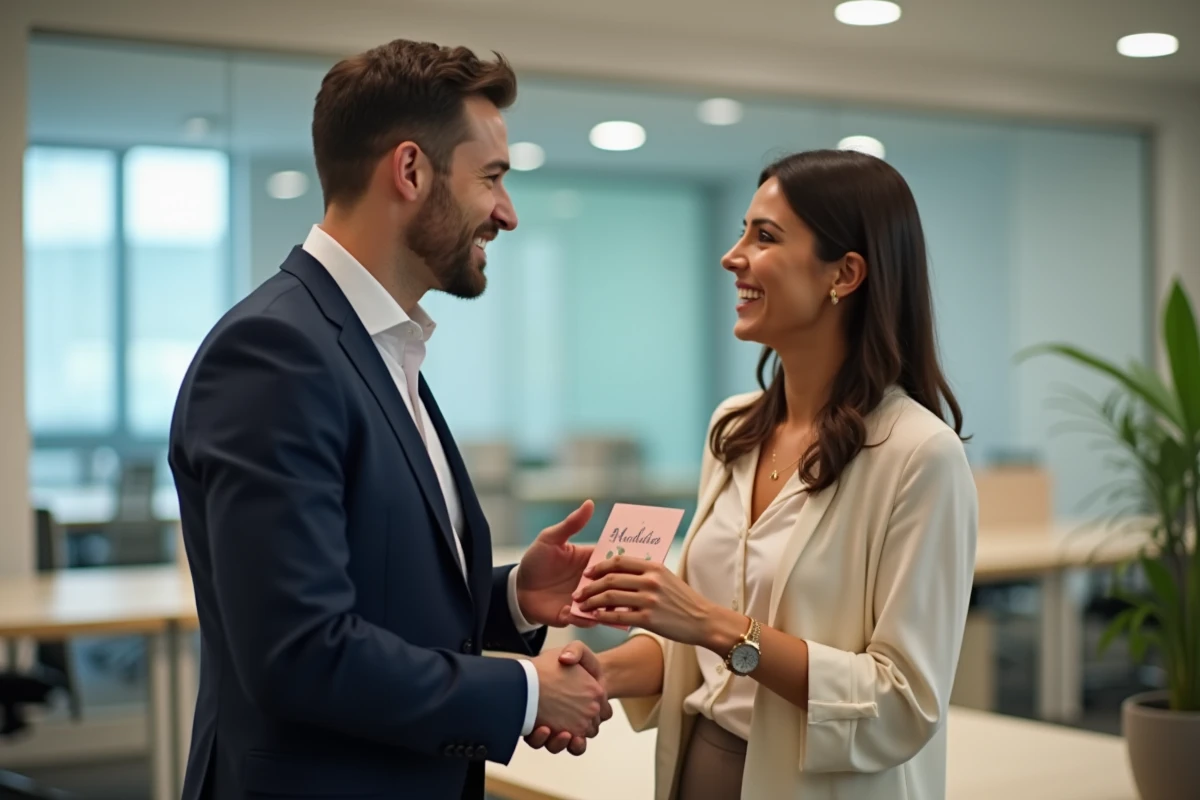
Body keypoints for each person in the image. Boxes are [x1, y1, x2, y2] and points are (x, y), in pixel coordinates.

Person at [169, 39, 609, 800]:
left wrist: (507, 600)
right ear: (410, 171)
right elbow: (301, 653)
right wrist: (527, 693)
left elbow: (370, 590)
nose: (506, 213)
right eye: (493, 179)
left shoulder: (375, 345)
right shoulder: (276, 352)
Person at [566, 149, 978, 799]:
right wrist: (598, 673)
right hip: (697, 769)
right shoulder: (732, 430)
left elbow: (902, 702)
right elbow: (699, 655)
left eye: (764, 236)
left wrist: (714, 625)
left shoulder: (918, 455)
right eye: (742, 231)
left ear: (844, 274)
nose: (733, 257)